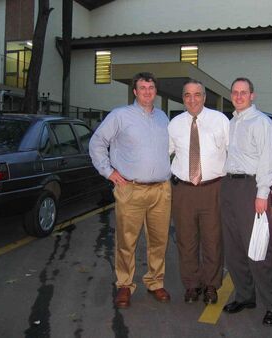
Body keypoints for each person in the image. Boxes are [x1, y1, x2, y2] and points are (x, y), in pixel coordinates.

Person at [89, 72, 172, 309]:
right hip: (130, 189)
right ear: (135, 92)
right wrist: (108, 171)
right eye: (142, 87)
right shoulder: (120, 116)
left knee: (159, 241)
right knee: (127, 241)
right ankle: (124, 285)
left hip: (161, 191)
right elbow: (97, 143)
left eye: (151, 87)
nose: (147, 91)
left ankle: (155, 282)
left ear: (156, 91)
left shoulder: (163, 118)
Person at [221, 77, 272, 326]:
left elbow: (269, 160)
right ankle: (246, 296)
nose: (239, 96)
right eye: (235, 92)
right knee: (234, 248)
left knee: (258, 249)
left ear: (252, 95)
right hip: (229, 187)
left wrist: (262, 194)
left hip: (250, 188)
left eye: (243, 92)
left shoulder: (261, 122)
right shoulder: (232, 122)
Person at [168, 79, 229, 304]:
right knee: (186, 240)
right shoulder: (174, 124)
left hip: (213, 189)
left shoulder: (221, 120)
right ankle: (192, 285)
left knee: (213, 240)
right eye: (187, 95)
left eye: (197, 94)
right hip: (183, 191)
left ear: (204, 97)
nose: (192, 99)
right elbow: (163, 152)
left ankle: (211, 285)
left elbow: (234, 152)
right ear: (182, 98)